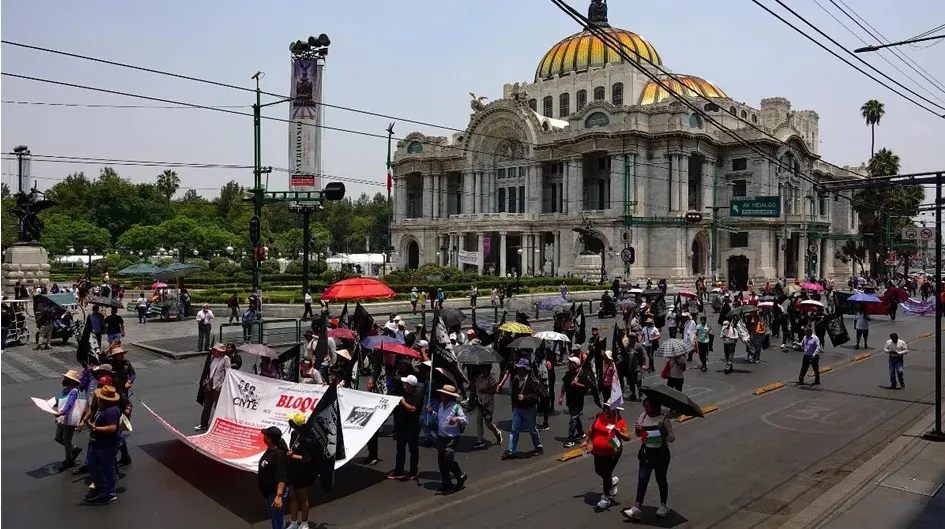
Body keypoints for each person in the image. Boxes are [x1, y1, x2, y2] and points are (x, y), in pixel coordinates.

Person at [622, 398, 676, 521]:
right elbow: (638, 434)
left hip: (660, 455)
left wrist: (664, 433)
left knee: (660, 479)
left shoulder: (664, 420)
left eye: (648, 406)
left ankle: (664, 504)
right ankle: (637, 507)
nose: (645, 409)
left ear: (655, 406)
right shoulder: (643, 416)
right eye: (644, 406)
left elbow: (672, 438)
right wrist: (637, 430)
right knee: (642, 479)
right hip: (646, 453)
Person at [582, 405, 632, 509]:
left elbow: (628, 437)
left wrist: (619, 432)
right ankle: (612, 482)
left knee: (606, 473)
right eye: (606, 409)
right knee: (599, 471)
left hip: (612, 453)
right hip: (598, 452)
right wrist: (585, 441)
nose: (607, 411)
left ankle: (605, 497)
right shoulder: (599, 416)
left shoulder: (620, 422)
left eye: (610, 409)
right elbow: (591, 429)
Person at [83, 385, 122, 505]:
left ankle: (110, 493)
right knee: (92, 465)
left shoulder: (111, 411)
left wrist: (96, 428)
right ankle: (100, 487)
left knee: (107, 468)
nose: (98, 399)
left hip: (107, 444)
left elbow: (112, 428)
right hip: (96, 442)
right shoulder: (101, 407)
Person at [429, 384, 468, 493]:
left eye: (443, 394)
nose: (441, 396)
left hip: (451, 438)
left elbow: (465, 420)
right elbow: (439, 418)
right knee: (441, 462)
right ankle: (446, 483)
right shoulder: (441, 405)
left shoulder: (456, 407)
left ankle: (460, 475)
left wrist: (457, 418)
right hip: (441, 437)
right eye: (441, 394)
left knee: (448, 458)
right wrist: (432, 412)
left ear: (449, 396)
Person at [502, 359, 543, 459]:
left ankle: (538, 446)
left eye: (521, 368)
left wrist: (525, 397)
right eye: (519, 368)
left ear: (526, 369)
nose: (519, 370)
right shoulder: (516, 380)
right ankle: (511, 451)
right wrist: (514, 404)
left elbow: (537, 396)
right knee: (514, 430)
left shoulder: (532, 381)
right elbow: (513, 394)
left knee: (532, 429)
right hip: (518, 409)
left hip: (529, 409)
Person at [388, 374, 423, 480]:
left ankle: (414, 471)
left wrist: (402, 402)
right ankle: (399, 470)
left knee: (413, 448)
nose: (404, 385)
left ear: (410, 385)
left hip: (412, 426)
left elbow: (412, 409)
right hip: (401, 425)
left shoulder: (417, 394)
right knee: (400, 448)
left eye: (405, 384)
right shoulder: (402, 392)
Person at [286, 413, 314, 529]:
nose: (289, 422)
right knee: (292, 497)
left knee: (303, 498)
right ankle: (293, 522)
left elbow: (307, 458)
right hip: (292, 470)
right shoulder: (293, 434)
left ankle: (304, 522)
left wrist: (293, 456)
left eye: (291, 421)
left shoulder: (306, 438)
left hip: (302, 472)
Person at [258, 426, 289, 529]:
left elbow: (282, 478)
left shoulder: (278, 456)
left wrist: (278, 496)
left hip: (274, 494)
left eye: (265, 435)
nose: (263, 437)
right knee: (274, 518)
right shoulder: (271, 450)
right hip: (268, 492)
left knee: (278, 521)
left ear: (269, 439)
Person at [54, 369, 85, 471]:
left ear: (71, 380)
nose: (64, 379)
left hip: (69, 419)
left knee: (67, 441)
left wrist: (62, 412)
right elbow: (59, 400)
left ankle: (69, 461)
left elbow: (69, 404)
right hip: (62, 418)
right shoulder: (65, 390)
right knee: (58, 437)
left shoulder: (74, 391)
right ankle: (75, 449)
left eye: (66, 378)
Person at [195, 344, 229, 432]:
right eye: (214, 350)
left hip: (218, 387)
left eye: (216, 350)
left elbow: (227, 374)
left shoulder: (225, 359)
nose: (214, 352)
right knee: (207, 406)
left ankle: (219, 426)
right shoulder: (212, 358)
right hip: (209, 386)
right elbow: (208, 370)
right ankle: (203, 424)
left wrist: (221, 386)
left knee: (218, 408)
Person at [469, 365, 502, 449]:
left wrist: (485, 390)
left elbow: (495, 390)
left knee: (488, 423)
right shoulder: (478, 378)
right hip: (480, 403)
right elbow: (475, 388)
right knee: (479, 421)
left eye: (484, 370)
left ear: (488, 370)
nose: (482, 371)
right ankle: (480, 440)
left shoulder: (491, 379)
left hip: (488, 405)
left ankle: (497, 433)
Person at [559, 356, 589, 448]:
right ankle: (580, 433)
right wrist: (561, 397)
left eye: (571, 362)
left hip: (578, 401)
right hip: (570, 400)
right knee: (575, 418)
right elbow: (564, 385)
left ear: (576, 364)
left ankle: (570, 439)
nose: (569, 363)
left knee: (573, 420)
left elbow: (586, 387)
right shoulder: (568, 373)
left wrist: (577, 384)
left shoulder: (582, 374)